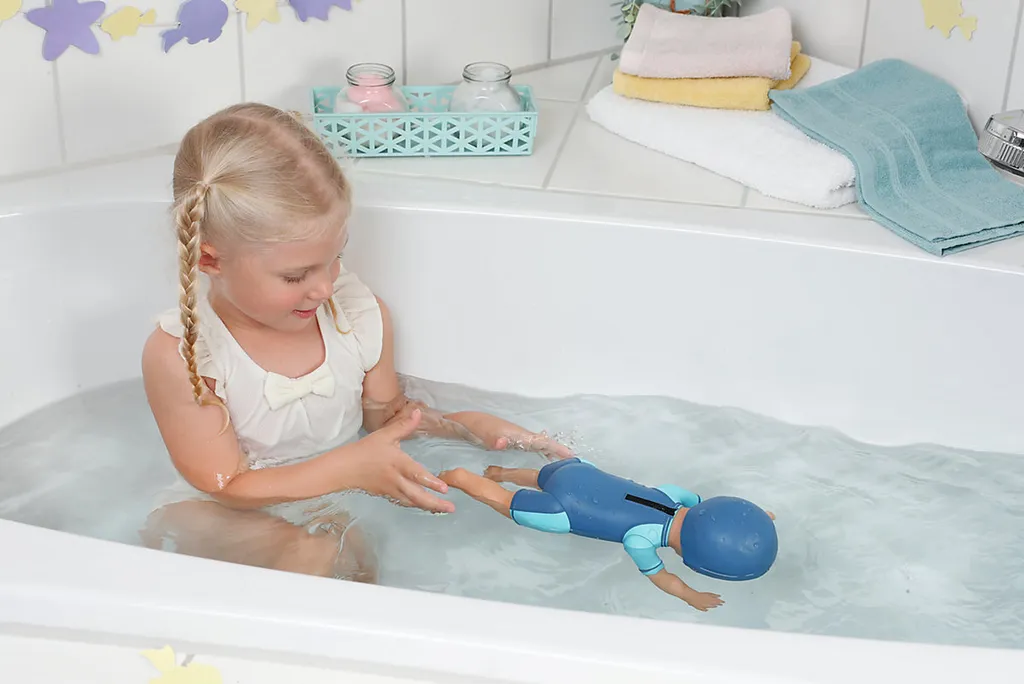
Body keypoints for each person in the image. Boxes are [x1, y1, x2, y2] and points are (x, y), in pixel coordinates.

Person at [140, 103, 570, 582]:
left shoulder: (356, 315)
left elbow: (386, 418)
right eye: (296, 276)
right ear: (210, 261)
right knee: (318, 552)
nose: (325, 288)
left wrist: (467, 428)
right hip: (218, 515)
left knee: (352, 558)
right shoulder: (185, 355)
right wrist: (348, 468)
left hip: (331, 497)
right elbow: (225, 485)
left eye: (335, 259)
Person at [438, 458, 778, 611]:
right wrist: (690, 595)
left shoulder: (672, 494)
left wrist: (752, 517)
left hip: (576, 471)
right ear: (693, 558)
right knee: (506, 503)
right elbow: (662, 578)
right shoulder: (640, 540)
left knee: (541, 476)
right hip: (563, 509)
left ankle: (502, 471)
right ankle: (463, 479)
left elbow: (704, 506)